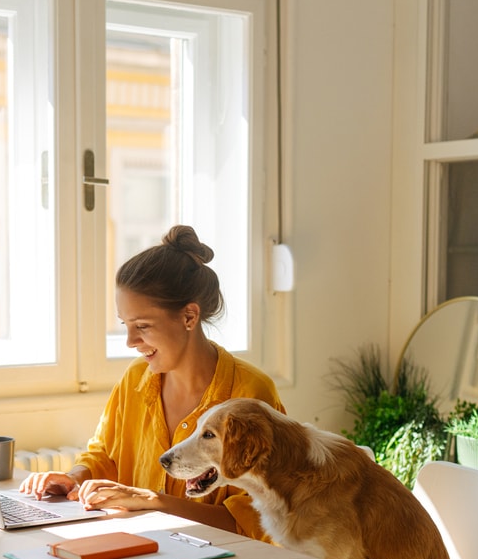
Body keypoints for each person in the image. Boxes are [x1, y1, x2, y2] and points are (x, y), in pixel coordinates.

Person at [18, 224, 284, 539]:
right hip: (139, 551)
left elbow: (256, 523)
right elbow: (105, 455)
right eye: (125, 324)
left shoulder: (250, 394)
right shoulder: (135, 379)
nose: (130, 340)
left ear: (189, 317)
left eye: (142, 325)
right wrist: (73, 478)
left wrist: (155, 503)